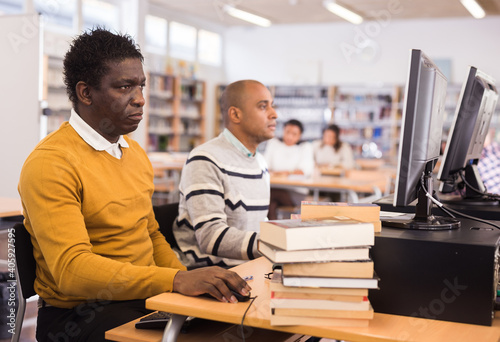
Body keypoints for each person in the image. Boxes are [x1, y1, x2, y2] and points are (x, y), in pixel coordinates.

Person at [17, 28, 250, 342]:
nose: (140, 99)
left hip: (142, 297)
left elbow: (150, 234)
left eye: (141, 85)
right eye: (124, 87)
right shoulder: (51, 163)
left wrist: (185, 280)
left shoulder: (135, 153)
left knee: (246, 325)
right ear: (85, 93)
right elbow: (72, 271)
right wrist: (176, 280)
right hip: (80, 315)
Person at [173, 80, 278, 269]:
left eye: (272, 105)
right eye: (263, 106)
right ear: (236, 114)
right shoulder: (205, 159)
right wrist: (277, 244)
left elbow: (257, 226)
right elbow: (211, 237)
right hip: (211, 274)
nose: (274, 114)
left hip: (251, 266)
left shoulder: (260, 162)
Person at [263, 119, 314, 220]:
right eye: (287, 132)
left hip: (295, 192)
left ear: (300, 135)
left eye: (294, 134)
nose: (290, 136)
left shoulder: (305, 147)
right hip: (274, 189)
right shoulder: (274, 144)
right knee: (272, 204)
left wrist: (277, 173)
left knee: (269, 197)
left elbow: (303, 171)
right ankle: (274, 229)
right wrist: (288, 172)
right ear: (283, 131)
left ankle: (268, 230)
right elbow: (265, 167)